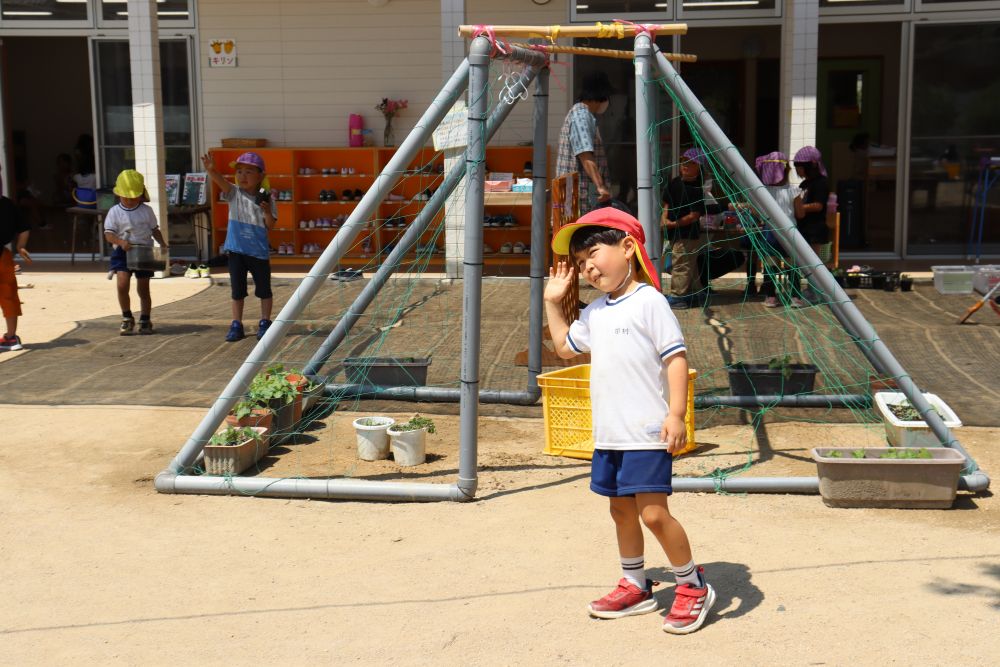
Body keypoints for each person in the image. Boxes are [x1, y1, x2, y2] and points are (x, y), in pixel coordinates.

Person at [544, 206, 716, 635]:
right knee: (620, 511)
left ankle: (693, 586)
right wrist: (552, 301)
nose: (587, 268)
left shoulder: (650, 301)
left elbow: (675, 357)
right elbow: (565, 348)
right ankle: (636, 584)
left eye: (594, 254)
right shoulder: (596, 311)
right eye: (581, 263)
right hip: (610, 433)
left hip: (646, 431)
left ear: (627, 247)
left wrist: (676, 414)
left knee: (654, 514)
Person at [202, 151, 277, 342]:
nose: (243, 176)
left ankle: (265, 322)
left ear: (260, 175)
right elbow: (221, 181)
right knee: (237, 291)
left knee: (264, 290)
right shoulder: (234, 192)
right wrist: (211, 170)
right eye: (240, 171)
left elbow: (270, 225)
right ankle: (236, 324)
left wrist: (267, 211)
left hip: (258, 253)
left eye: (249, 172)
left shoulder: (266, 198)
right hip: (236, 251)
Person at [103, 170, 167, 335]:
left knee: (144, 288)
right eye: (126, 197)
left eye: (134, 197)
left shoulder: (146, 211)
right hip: (123, 252)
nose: (130, 201)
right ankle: (126, 317)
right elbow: (108, 234)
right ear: (119, 195)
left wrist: (162, 244)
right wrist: (120, 242)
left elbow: (154, 229)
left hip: (144, 251)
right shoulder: (114, 212)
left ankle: (145, 318)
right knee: (122, 285)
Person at [661, 148, 720, 310]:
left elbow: (694, 215)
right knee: (689, 264)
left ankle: (678, 296)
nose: (685, 165)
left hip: (687, 234)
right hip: (674, 232)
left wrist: (673, 224)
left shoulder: (696, 189)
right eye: (683, 161)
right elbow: (666, 201)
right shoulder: (675, 182)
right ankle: (694, 294)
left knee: (681, 264)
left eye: (691, 163)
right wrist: (664, 218)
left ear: (699, 167)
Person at [556, 71, 613, 215]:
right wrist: (600, 187)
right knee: (580, 234)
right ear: (600, 95)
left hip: (575, 194)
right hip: (578, 196)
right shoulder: (581, 116)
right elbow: (585, 155)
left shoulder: (583, 115)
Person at [750, 151, 797, 308]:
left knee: (770, 265)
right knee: (792, 266)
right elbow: (801, 212)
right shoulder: (793, 191)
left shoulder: (762, 192)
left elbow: (755, 211)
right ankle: (795, 297)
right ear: (786, 171)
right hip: (791, 233)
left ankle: (770, 296)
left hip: (770, 233)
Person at [791, 146, 830, 308]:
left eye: (799, 168)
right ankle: (811, 289)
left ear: (809, 166)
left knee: (813, 262)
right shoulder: (805, 183)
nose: (798, 172)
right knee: (806, 263)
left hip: (816, 228)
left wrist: (800, 207)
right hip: (805, 228)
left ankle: (816, 293)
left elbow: (819, 206)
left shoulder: (821, 183)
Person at [0, 193, 31, 351]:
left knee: (9, 296)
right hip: (2, 257)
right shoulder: (7, 204)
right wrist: (20, 246)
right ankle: (11, 338)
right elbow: (24, 228)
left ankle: (11, 338)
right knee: (9, 297)